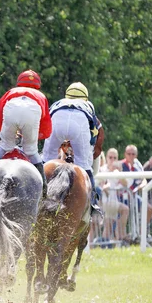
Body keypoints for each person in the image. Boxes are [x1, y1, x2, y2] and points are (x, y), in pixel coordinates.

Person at [0, 70, 52, 195]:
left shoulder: (10, 92)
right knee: (32, 151)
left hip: (11, 107)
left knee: (3, 147)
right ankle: (44, 191)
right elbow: (45, 128)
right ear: (38, 85)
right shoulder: (40, 95)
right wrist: (34, 136)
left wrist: (5, 132)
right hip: (33, 111)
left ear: (19, 83)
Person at [42, 82, 102, 215]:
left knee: (46, 160)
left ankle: (37, 193)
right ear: (85, 98)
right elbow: (95, 134)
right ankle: (93, 203)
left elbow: (46, 125)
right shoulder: (88, 105)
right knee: (84, 165)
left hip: (57, 121)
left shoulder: (59, 103)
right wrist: (86, 150)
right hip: (79, 123)